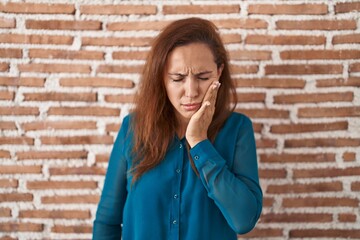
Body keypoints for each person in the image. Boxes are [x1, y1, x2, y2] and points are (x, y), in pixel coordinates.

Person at [93, 17, 262, 240]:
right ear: (161, 76)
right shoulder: (133, 128)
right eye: (178, 78)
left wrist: (199, 142)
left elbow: (244, 220)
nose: (191, 91)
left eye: (203, 77)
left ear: (219, 72)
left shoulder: (237, 129)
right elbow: (108, 221)